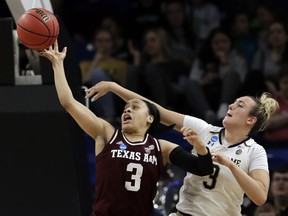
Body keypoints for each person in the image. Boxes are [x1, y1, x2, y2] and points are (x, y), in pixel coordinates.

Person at [37, 41, 213, 216]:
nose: (127, 109)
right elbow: (68, 102)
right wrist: (57, 64)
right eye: (125, 108)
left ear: (149, 118)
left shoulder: (162, 147)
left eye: (135, 107)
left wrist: (199, 146)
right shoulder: (106, 134)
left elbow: (203, 169)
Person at [86, 81, 279, 216]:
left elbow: (260, 197)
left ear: (250, 120)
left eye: (239, 105)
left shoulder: (255, 151)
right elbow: (157, 111)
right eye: (234, 101)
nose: (231, 105)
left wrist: (232, 166)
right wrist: (114, 87)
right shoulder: (204, 129)